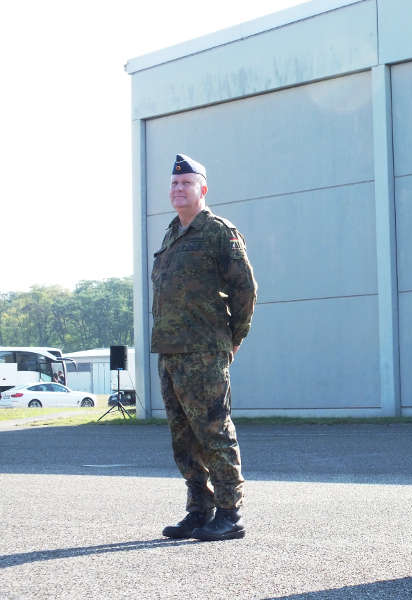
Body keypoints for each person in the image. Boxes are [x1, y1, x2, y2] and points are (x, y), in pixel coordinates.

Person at [153, 154, 257, 541]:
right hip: (171, 350)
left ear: (202, 189)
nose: (179, 189)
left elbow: (245, 289)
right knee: (184, 438)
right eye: (174, 184)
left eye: (186, 183)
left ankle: (230, 513)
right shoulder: (171, 234)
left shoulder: (217, 231)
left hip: (204, 351)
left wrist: (234, 338)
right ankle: (200, 509)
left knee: (214, 431)